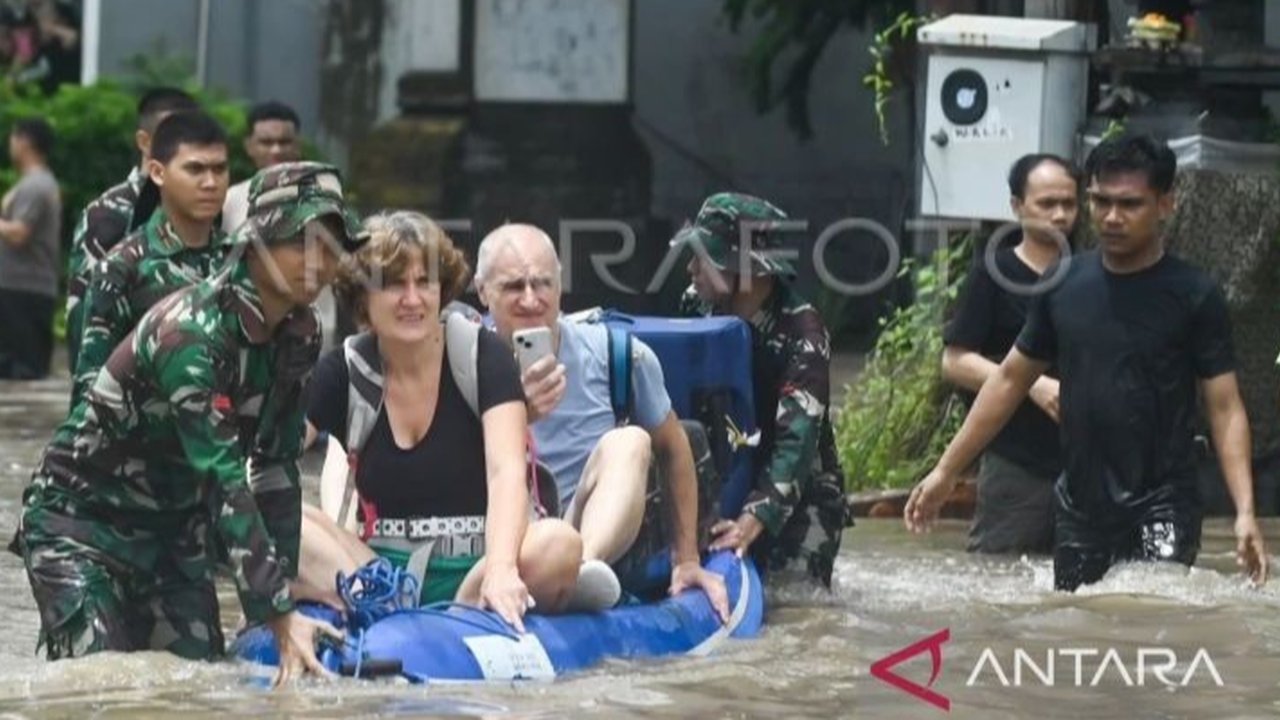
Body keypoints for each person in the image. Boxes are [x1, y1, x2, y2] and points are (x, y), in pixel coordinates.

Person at [10, 162, 365, 687]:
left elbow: (276, 465)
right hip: (81, 527)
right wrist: (275, 611)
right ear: (256, 242)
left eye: (332, 246)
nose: (319, 262)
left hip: (175, 533)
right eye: (301, 242)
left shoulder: (302, 332)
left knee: (199, 682)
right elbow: (224, 478)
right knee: (99, 684)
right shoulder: (191, 335)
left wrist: (283, 591)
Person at [905, 134, 1269, 592]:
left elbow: (1225, 407)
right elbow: (1010, 380)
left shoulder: (1194, 295)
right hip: (1081, 505)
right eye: (1101, 201)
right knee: (1076, 615)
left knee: (1156, 609)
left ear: (1165, 204)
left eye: (1129, 204)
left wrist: (1245, 512)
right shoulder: (1063, 285)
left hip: (1164, 502)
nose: (1111, 217)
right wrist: (946, 471)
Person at [298, 211, 582, 631]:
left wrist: (501, 568)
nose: (413, 299)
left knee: (559, 543)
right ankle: (381, 609)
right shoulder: (342, 370)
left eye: (424, 282)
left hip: (476, 566)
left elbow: (506, 471)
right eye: (394, 284)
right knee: (281, 515)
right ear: (362, 297)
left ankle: (462, 615)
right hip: (378, 573)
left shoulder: (484, 356)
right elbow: (268, 459)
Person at [474, 224, 729, 620]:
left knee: (630, 440)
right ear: (482, 291)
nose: (530, 299)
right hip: (505, 539)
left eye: (542, 284)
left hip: (584, 531)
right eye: (513, 287)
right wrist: (518, 412)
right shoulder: (458, 363)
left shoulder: (619, 355)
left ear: (560, 286)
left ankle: (581, 574)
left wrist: (687, 559)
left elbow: (675, 447)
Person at [673, 192, 849, 587]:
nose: (691, 269)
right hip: (726, 471)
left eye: (704, 258)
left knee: (794, 605)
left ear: (747, 270)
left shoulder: (804, 335)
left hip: (799, 496)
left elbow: (796, 445)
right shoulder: (697, 307)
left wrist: (751, 521)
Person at [941, 154, 1080, 555]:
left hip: (1086, 460)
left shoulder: (1092, 274)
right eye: (1047, 204)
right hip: (1016, 459)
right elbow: (954, 361)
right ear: (1017, 206)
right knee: (996, 572)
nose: (1060, 215)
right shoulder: (992, 273)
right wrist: (1032, 385)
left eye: (1069, 204)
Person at [73, 110, 231, 407]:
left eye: (220, 169)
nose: (211, 182)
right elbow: (91, 384)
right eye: (195, 169)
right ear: (158, 173)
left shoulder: (240, 259)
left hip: (224, 431)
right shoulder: (123, 267)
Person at [65, 87, 199, 367]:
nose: (182, 148)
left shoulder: (205, 209)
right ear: (144, 141)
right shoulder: (109, 214)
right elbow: (84, 321)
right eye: (170, 137)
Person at [0, 116, 60, 379]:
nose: (10, 143)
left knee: (24, 371)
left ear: (25, 141)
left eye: (13, 137)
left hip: (24, 290)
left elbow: (18, 233)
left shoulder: (36, 185)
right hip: (21, 288)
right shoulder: (35, 183)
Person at [222, 101, 301, 233]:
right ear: (249, 146)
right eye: (266, 142)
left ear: (298, 145)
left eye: (284, 142)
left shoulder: (321, 196)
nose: (276, 150)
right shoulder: (230, 200)